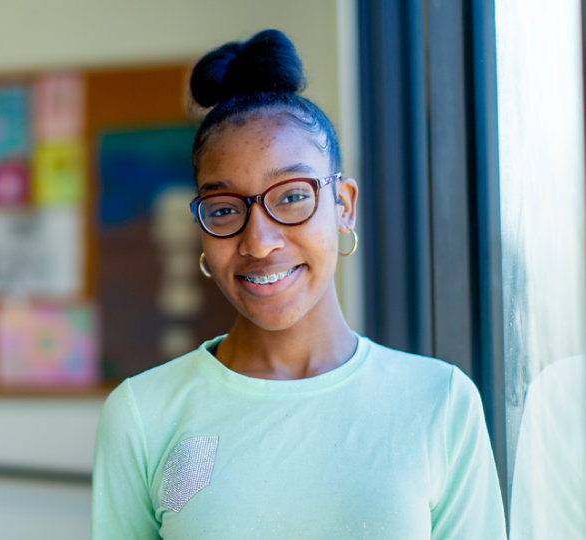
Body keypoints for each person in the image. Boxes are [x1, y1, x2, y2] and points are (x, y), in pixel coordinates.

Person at [91, 29, 506, 539]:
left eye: (291, 197)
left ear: (344, 206)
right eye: (225, 209)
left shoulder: (438, 402)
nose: (259, 242)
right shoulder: (143, 414)